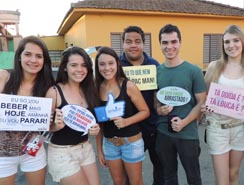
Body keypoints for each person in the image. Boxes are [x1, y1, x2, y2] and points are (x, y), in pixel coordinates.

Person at [203, 25, 244, 185]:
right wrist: (205, 106)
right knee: (222, 179)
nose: (231, 45)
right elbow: (206, 97)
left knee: (233, 174)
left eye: (235, 40)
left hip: (240, 128)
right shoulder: (214, 66)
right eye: (227, 42)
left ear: (243, 42)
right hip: (217, 127)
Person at [154, 24, 206, 185]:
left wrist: (184, 122)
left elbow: (201, 103)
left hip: (188, 134)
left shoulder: (194, 71)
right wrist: (159, 109)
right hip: (163, 133)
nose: (169, 47)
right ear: (160, 44)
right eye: (165, 42)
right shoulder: (156, 71)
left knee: (194, 178)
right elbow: (155, 100)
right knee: (169, 178)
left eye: (173, 42)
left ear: (180, 42)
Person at [0, 36, 55, 185]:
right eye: (28, 54)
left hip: (33, 150)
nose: (33, 60)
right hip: (2, 153)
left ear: (44, 60)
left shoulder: (48, 87)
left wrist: (53, 122)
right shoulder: (4, 77)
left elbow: (50, 127)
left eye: (39, 56)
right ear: (19, 57)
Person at [45, 46, 101, 185]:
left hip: (85, 148)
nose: (79, 70)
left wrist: (95, 129)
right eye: (74, 65)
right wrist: (56, 126)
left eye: (83, 65)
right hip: (62, 152)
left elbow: (93, 121)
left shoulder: (89, 90)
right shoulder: (54, 92)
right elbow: (43, 127)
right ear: (65, 67)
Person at [95, 46, 150, 185]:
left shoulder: (128, 85)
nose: (107, 68)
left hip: (131, 143)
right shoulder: (95, 89)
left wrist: (126, 121)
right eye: (102, 64)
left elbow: (145, 111)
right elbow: (99, 124)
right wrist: (100, 150)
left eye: (110, 63)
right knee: (118, 181)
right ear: (97, 66)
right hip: (110, 144)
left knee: (136, 182)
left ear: (117, 64)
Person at [120, 25, 164, 185]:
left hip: (152, 128)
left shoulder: (153, 65)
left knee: (161, 170)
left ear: (143, 44)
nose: (133, 45)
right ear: (123, 44)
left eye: (137, 41)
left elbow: (161, 93)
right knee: (127, 176)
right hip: (127, 130)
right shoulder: (116, 66)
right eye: (128, 41)